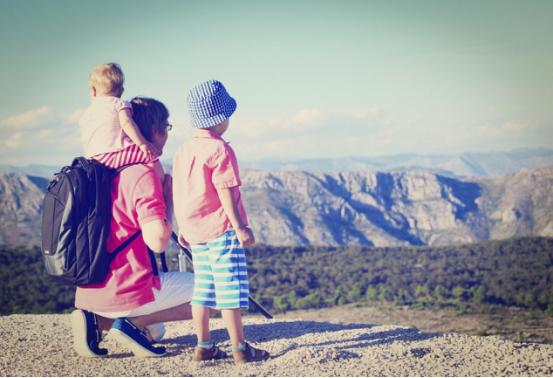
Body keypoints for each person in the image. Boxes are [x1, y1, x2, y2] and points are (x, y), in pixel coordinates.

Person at [71, 97, 194, 358]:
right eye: (166, 127)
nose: (166, 135)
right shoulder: (142, 173)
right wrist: (168, 198)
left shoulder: (105, 170)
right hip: (127, 286)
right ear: (154, 131)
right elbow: (158, 241)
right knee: (225, 289)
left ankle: (96, 322)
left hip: (93, 287)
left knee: (158, 330)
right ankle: (131, 324)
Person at [173, 80, 270, 364]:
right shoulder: (220, 150)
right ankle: (240, 348)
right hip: (222, 230)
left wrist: (183, 227)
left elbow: (180, 192)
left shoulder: (182, 151)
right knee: (230, 290)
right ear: (221, 118)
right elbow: (225, 191)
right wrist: (240, 227)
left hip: (195, 232)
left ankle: (203, 346)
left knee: (202, 289)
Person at [79, 63, 161, 169]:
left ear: (93, 91)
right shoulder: (118, 104)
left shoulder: (86, 113)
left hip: (92, 160)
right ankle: (161, 180)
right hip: (111, 156)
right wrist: (143, 144)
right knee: (150, 155)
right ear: (122, 91)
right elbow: (127, 123)